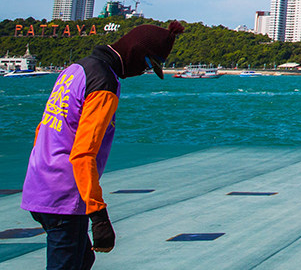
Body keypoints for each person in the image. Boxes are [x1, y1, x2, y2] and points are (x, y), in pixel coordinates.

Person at [22, 20, 184, 270]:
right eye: (148, 64)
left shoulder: (76, 69)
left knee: (83, 259)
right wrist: (99, 216)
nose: (143, 71)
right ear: (136, 52)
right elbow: (83, 153)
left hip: (38, 186)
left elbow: (42, 130)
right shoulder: (104, 83)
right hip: (65, 194)